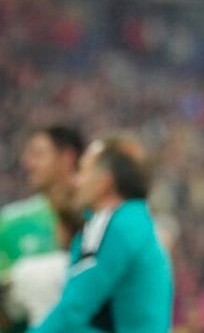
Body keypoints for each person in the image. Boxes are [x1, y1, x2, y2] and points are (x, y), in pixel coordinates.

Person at [28, 135, 173, 333]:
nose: (76, 181)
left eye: (83, 171)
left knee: (31, 277)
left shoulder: (111, 226)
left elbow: (74, 309)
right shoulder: (135, 221)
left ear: (104, 183)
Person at [0, 125, 85, 333]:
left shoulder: (100, 219)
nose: (28, 164)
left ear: (67, 157)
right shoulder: (11, 223)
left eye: (38, 154)